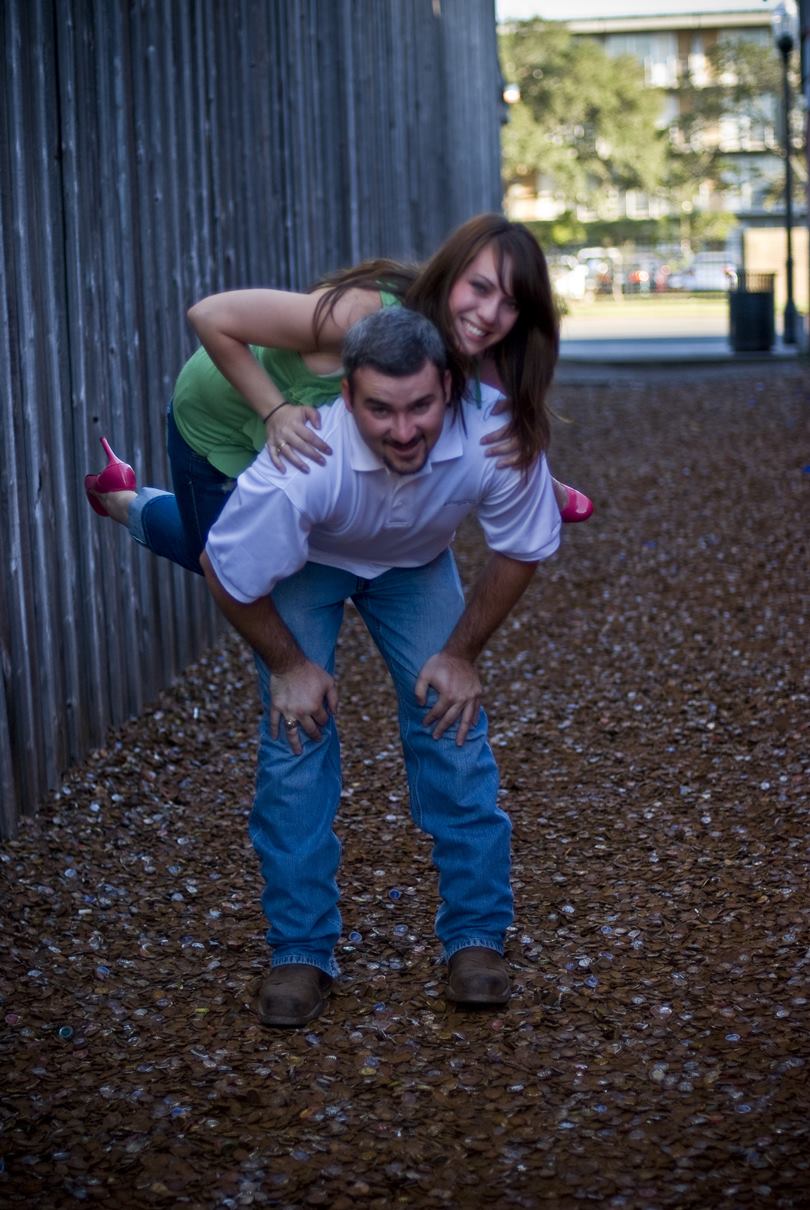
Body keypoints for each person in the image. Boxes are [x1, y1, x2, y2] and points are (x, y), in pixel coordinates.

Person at [200, 306, 562, 1026]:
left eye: (421, 406)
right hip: (311, 560)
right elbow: (226, 568)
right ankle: (300, 949)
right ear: (346, 399)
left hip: (415, 564)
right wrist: (287, 666)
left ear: (452, 390)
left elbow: (522, 545)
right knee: (294, 737)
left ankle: (477, 937)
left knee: (453, 725)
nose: (403, 431)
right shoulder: (303, 466)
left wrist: (461, 655)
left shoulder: (495, 435)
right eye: (379, 410)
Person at [84, 214, 592, 573]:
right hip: (220, 409)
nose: (488, 314)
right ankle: (121, 500)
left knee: (281, 545)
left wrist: (535, 474)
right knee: (218, 559)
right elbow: (210, 316)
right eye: (479, 290)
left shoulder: (479, 338)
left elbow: (484, 416)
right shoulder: (364, 312)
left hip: (293, 423)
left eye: (509, 303)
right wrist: (276, 411)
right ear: (450, 275)